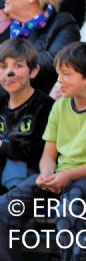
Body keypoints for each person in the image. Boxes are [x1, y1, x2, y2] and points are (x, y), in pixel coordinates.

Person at [0, 42, 86, 261]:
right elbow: (48, 155)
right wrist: (47, 175)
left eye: (67, 74)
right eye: (59, 73)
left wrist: (67, 176)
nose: (60, 80)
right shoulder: (59, 106)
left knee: (69, 210)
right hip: (58, 178)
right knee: (4, 208)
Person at [3, 0, 81, 93]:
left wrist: (6, 62)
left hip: (41, 105)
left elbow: (54, 63)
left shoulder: (62, 23)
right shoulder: (11, 27)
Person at [0, 39, 53, 192]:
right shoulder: (1, 102)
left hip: (28, 178)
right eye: (3, 66)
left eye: (18, 65)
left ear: (34, 71)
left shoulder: (46, 106)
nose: (10, 73)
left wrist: (4, 146)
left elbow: (42, 151)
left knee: (14, 164)